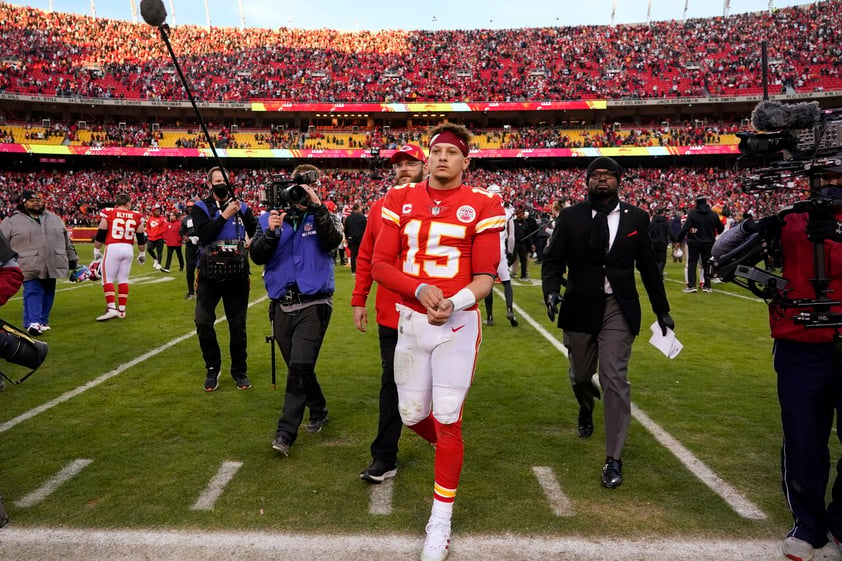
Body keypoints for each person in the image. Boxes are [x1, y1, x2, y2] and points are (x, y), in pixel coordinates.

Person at [371, 124, 505, 561]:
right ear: (426, 159)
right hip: (410, 320)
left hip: (457, 325)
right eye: (436, 151)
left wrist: (454, 300)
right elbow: (380, 265)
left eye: (452, 152)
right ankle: (449, 445)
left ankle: (440, 521)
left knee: (448, 417)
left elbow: (486, 275)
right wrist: (420, 289)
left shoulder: (484, 203)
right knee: (410, 416)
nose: (442, 157)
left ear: (466, 161)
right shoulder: (397, 198)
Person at [714, 166, 842, 561]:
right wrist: (756, 223)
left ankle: (839, 522)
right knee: (803, 438)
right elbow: (721, 252)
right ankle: (807, 524)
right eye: (823, 177)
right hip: (799, 343)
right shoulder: (790, 217)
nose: (830, 185)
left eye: (836, 176)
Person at [541, 156, 674, 490]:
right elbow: (553, 260)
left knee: (614, 377)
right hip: (580, 304)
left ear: (619, 180)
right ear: (587, 181)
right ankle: (586, 406)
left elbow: (648, 267)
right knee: (581, 375)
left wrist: (662, 310)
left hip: (619, 306)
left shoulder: (638, 218)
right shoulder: (570, 216)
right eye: (595, 175)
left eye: (608, 175)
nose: (602, 180)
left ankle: (613, 457)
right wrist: (551, 291)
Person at [250, 164, 344, 457]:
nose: (303, 191)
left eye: (309, 185)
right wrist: (272, 232)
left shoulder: (326, 214)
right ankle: (318, 408)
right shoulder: (269, 218)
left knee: (300, 366)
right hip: (281, 303)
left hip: (314, 301)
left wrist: (317, 208)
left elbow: (334, 241)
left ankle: (285, 433)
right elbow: (256, 255)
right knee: (297, 366)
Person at [352, 143, 426, 483]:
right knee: (392, 383)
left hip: (433, 311)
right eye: (398, 164)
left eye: (411, 162)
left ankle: (444, 439)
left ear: (425, 166)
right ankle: (384, 456)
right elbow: (365, 255)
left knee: (437, 384)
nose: (404, 168)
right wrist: (358, 298)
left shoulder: (440, 205)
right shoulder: (380, 208)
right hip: (391, 313)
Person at [193, 166, 258, 392]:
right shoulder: (200, 207)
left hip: (237, 276)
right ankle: (212, 367)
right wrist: (224, 215)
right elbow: (204, 235)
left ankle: (239, 370)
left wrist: (253, 240)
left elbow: (257, 230)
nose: (221, 183)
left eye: (225, 180)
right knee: (202, 322)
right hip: (209, 275)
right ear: (210, 184)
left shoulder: (243, 207)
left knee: (237, 326)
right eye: (217, 180)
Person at [0, 190, 77, 335]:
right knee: (33, 291)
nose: (36, 203)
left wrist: (72, 258)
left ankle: (41, 321)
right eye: (31, 200)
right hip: (26, 263)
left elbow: (66, 241)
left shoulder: (54, 218)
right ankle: (33, 322)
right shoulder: (11, 221)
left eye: (38, 200)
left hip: (52, 261)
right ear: (23, 203)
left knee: (48, 291)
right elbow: (1, 242)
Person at [92, 193, 148, 321]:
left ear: (117, 203)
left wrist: (96, 249)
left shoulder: (109, 212)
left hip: (113, 247)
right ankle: (122, 310)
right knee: (123, 279)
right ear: (128, 203)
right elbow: (140, 238)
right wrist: (142, 254)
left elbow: (101, 233)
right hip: (128, 249)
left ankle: (111, 308)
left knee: (107, 279)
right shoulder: (136, 215)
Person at [483, 184, 518, 327]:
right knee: (507, 282)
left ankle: (490, 317)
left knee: (487, 285)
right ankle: (509, 309)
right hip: (501, 250)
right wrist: (510, 252)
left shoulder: (482, 211)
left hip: (486, 251)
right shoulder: (508, 212)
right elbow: (511, 237)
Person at [678, 195, 724, 293]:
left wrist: (679, 239)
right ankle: (707, 286)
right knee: (706, 264)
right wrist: (713, 234)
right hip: (708, 243)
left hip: (694, 242)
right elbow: (721, 228)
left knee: (692, 263)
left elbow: (685, 228)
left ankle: (691, 286)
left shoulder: (692, 214)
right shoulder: (713, 214)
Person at [179, 200, 199, 299]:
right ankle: (191, 291)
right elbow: (181, 233)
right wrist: (188, 239)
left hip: (201, 244)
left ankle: (201, 290)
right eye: (188, 207)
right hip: (190, 246)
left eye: (192, 207)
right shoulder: (185, 219)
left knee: (203, 268)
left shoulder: (201, 217)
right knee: (190, 269)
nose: (190, 208)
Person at [512, 204, 538, 280]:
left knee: (524, 260)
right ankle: (506, 273)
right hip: (515, 243)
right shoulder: (513, 223)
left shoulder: (525, 224)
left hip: (522, 244)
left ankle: (523, 275)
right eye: (522, 214)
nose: (523, 216)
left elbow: (528, 235)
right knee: (512, 258)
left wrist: (532, 244)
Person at [648, 207, 674, 276]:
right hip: (662, 243)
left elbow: (649, 233)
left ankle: (657, 273)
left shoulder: (652, 222)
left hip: (653, 243)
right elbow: (670, 233)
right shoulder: (665, 222)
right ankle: (659, 274)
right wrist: (675, 240)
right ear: (662, 213)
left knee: (656, 260)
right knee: (662, 261)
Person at [343, 203, 367, 275]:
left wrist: (347, 238)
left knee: (353, 255)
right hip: (361, 238)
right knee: (362, 255)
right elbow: (366, 228)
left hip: (352, 238)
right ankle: (362, 269)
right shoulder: (362, 217)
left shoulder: (349, 218)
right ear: (358, 208)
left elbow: (346, 229)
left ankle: (353, 271)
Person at [145, 205, 167, 271]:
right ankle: (155, 258)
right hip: (151, 237)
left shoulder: (162, 219)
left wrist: (157, 234)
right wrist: (149, 233)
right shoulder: (150, 219)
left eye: (159, 211)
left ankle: (159, 264)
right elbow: (148, 227)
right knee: (149, 248)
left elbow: (164, 228)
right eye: (157, 211)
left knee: (159, 251)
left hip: (159, 237)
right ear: (153, 212)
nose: (158, 212)